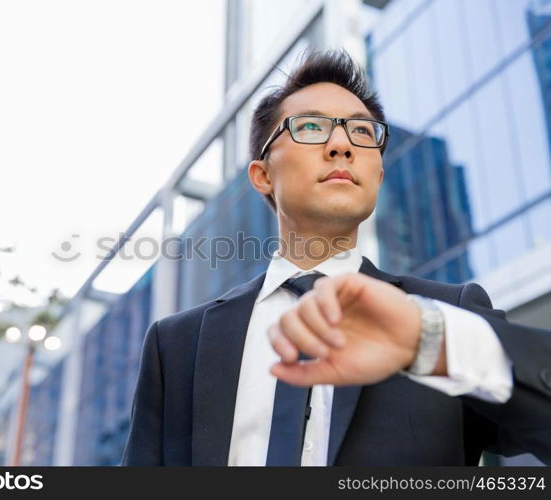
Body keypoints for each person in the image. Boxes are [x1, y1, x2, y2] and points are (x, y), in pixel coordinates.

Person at [121, 50, 551, 466]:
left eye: (362, 133)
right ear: (263, 175)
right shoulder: (177, 344)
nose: (342, 144)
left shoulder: (444, 316)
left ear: (378, 175)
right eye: (311, 127)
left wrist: (432, 341)